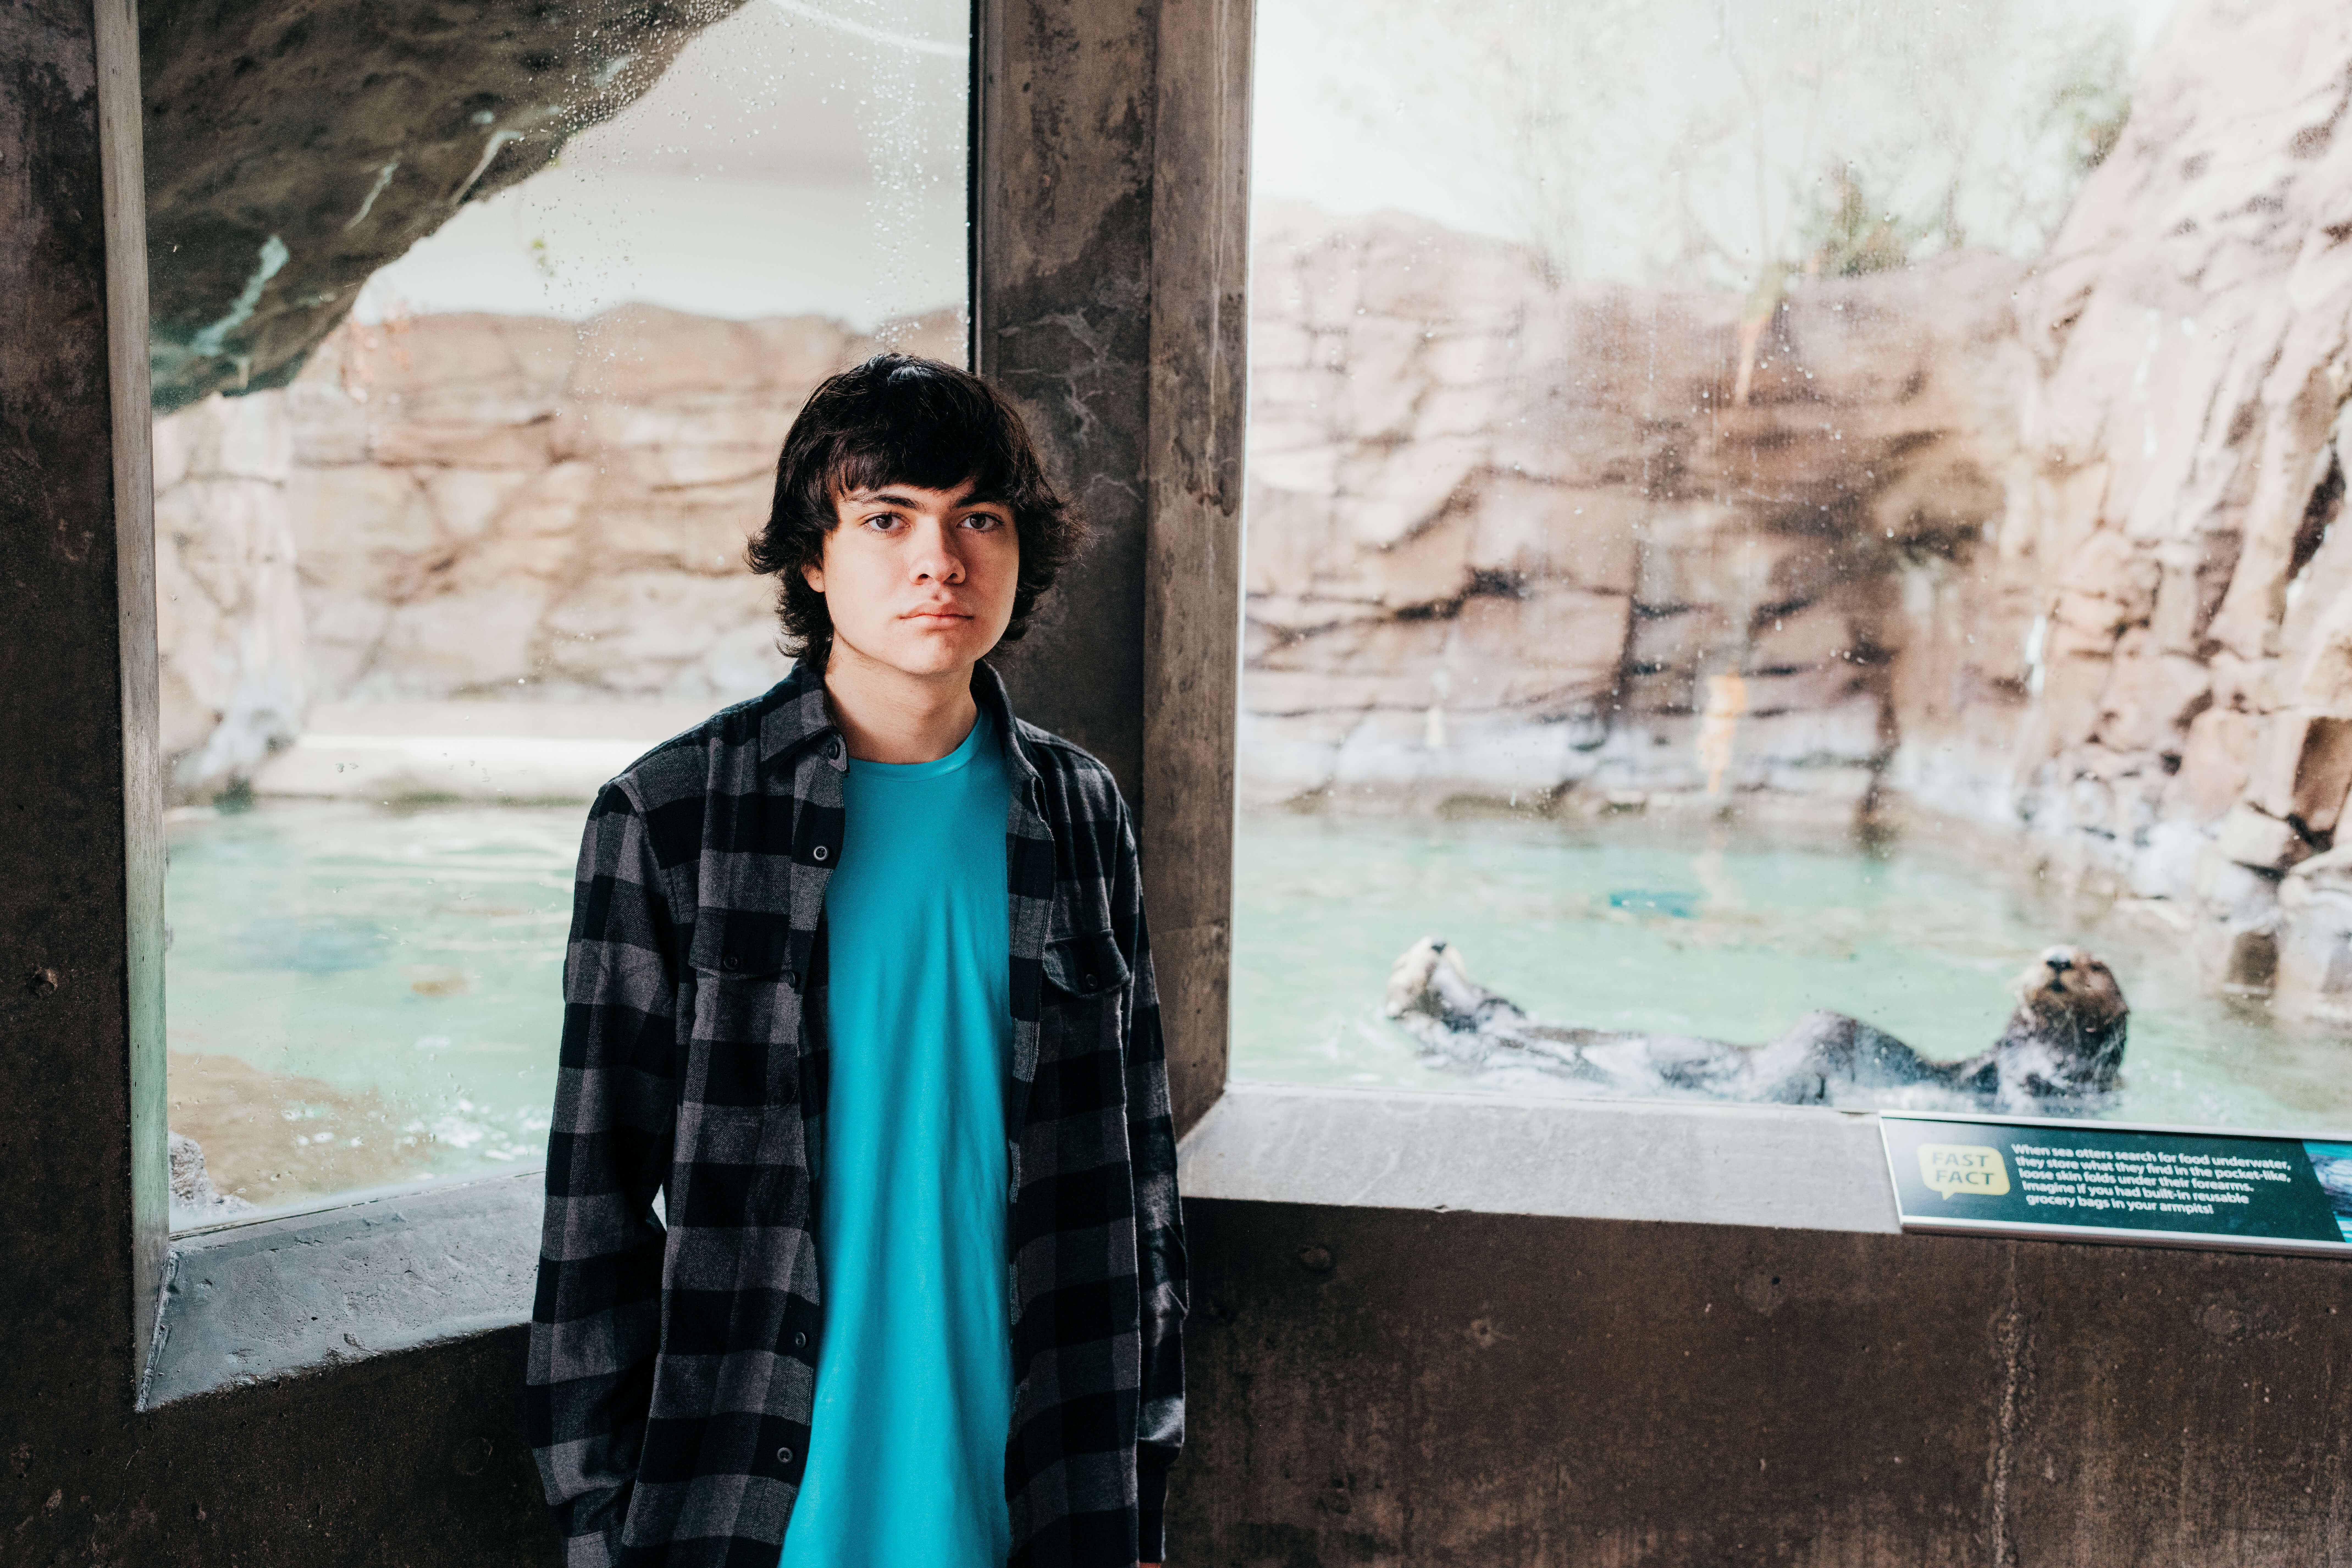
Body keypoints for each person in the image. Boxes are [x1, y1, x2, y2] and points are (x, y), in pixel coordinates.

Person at [525, 354, 1187, 1568]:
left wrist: (1140, 1480)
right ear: (813, 557)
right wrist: (600, 1519)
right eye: (887, 519)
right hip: (752, 1506)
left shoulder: (1081, 811)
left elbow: (1136, 1167)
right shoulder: (670, 818)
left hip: (1041, 1490)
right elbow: (594, 1206)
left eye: (976, 518)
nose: (940, 559)